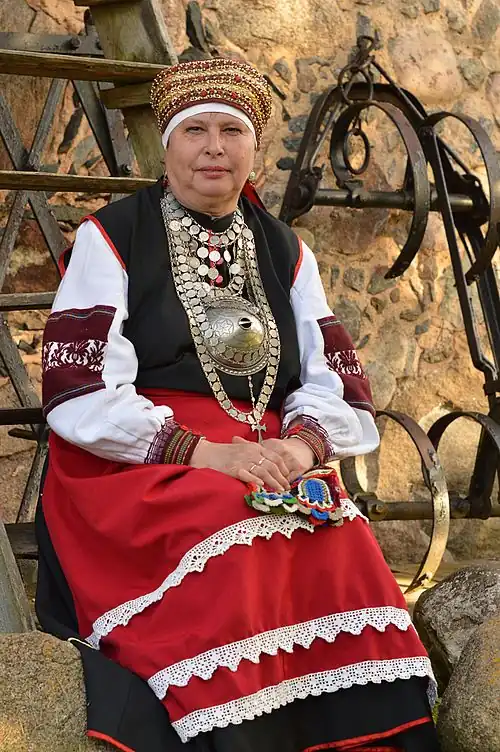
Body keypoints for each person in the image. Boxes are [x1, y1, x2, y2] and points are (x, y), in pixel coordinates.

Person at [37, 57, 439, 752]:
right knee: (231, 524)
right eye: (196, 132)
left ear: (254, 146)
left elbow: (335, 381)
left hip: (270, 449)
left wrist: (301, 446)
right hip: (136, 460)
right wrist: (206, 454)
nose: (214, 148)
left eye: (232, 131)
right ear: (168, 146)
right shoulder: (113, 236)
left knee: (335, 530)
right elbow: (81, 390)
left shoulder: (285, 250)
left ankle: (352, 737)